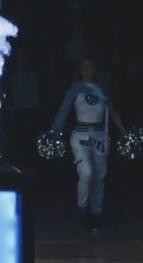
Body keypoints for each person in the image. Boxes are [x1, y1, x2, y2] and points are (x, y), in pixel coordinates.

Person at [49, 58, 128, 234]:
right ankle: (82, 210)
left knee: (99, 177)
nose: (88, 69)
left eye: (91, 66)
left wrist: (125, 133)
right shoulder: (75, 89)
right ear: (80, 69)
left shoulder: (102, 90)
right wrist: (53, 133)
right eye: (84, 66)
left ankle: (96, 215)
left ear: (95, 69)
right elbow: (63, 111)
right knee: (86, 172)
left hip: (100, 137)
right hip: (80, 136)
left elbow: (113, 113)